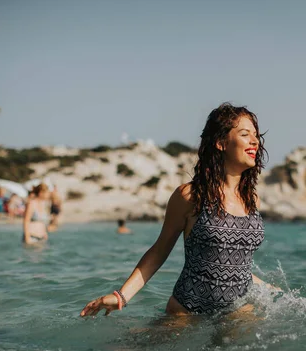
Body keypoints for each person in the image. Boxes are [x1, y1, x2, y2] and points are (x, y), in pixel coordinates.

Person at [81, 103, 279, 318]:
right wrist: (121, 296)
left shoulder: (252, 200)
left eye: (256, 135)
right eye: (245, 134)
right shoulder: (191, 196)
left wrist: (271, 291)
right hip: (186, 312)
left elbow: (236, 263)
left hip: (237, 313)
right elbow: (159, 251)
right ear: (221, 143)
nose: (254, 141)